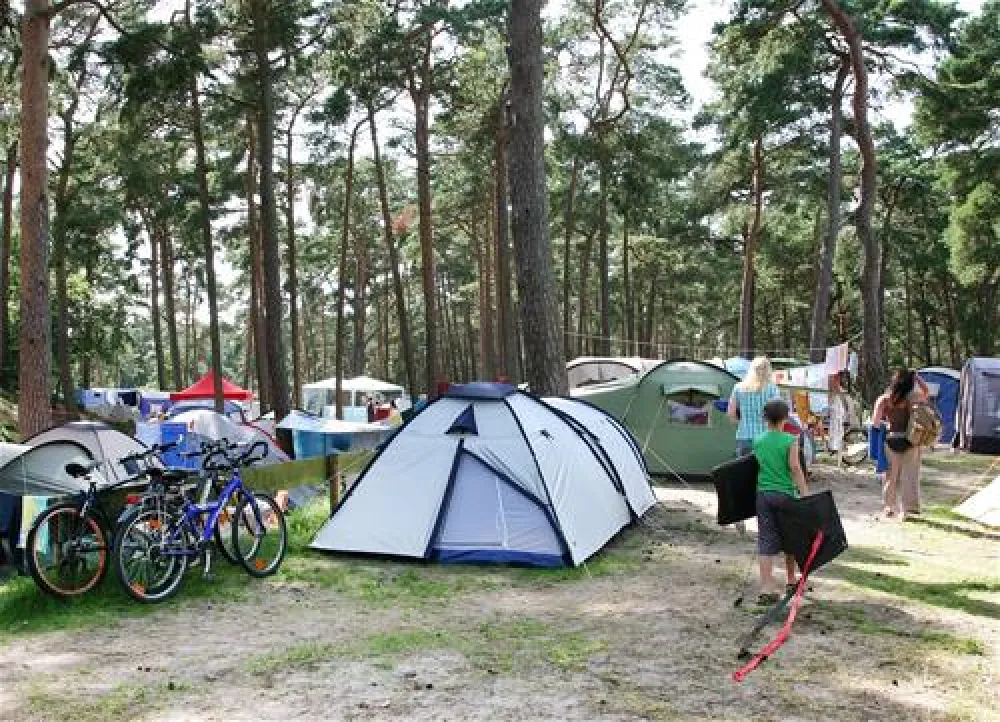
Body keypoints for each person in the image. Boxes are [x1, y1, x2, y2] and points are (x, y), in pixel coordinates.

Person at [753, 399, 810, 604]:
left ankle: (766, 586)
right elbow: (795, 468)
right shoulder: (790, 440)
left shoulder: (758, 440)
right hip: (785, 494)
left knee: (766, 540)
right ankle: (791, 579)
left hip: (763, 494)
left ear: (765, 418)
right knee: (790, 538)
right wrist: (805, 494)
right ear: (785, 418)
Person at [872, 369, 929, 519]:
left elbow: (875, 423)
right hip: (911, 440)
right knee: (910, 475)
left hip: (891, 440)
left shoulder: (884, 399)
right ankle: (908, 510)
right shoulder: (914, 397)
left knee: (890, 476)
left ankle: (889, 507)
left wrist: (887, 424)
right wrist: (918, 379)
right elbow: (926, 392)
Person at [728, 356, 781, 457]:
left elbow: (731, 413)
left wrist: (742, 423)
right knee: (765, 469)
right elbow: (777, 414)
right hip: (766, 436)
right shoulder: (773, 389)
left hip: (744, 435)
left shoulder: (738, 387)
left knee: (744, 470)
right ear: (769, 371)